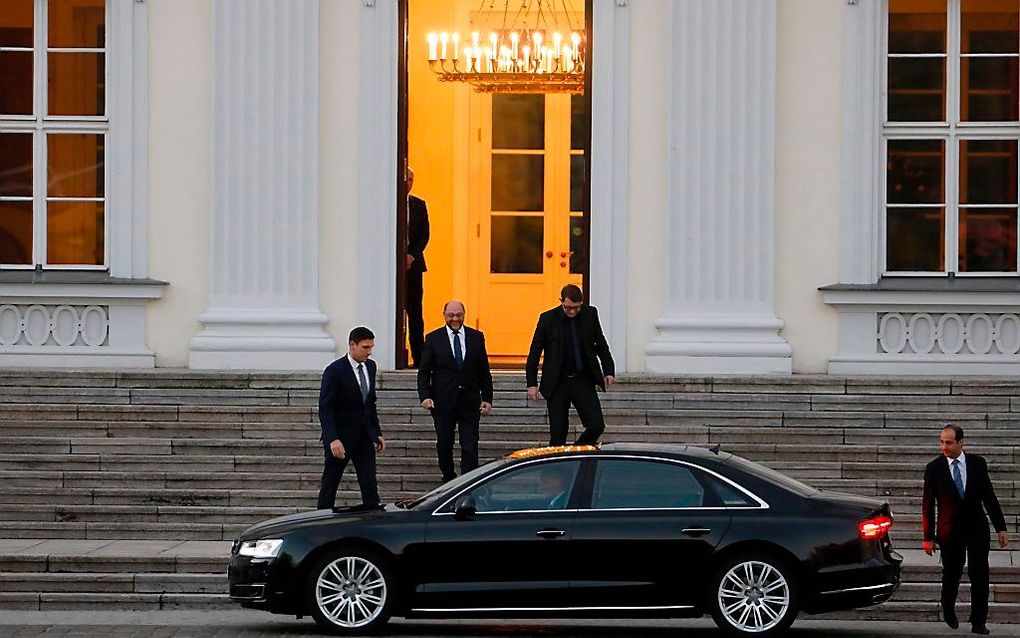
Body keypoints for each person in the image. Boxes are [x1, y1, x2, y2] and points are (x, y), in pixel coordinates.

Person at [922, 424, 1009, 635]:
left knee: (980, 574)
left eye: (949, 443)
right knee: (952, 572)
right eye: (942, 442)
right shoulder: (934, 468)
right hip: (950, 531)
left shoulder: (978, 464)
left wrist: (1001, 527)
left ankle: (978, 621)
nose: (944, 447)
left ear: (960, 442)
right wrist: (928, 537)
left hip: (977, 528)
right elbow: (927, 504)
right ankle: (948, 606)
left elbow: (989, 496)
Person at [526, 284, 616, 446]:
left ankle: (574, 453)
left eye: (577, 308)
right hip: (557, 382)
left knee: (596, 425)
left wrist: (609, 370)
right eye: (568, 308)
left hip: (582, 379)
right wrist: (532, 383)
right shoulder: (547, 319)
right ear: (561, 302)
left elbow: (601, 344)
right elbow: (534, 352)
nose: (573, 312)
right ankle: (558, 467)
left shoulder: (590, 314)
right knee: (558, 433)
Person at [417, 300, 493, 483]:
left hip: (469, 401)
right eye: (451, 315)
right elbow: (424, 371)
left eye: (458, 314)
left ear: (464, 314)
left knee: (470, 445)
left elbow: (483, 370)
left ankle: (468, 482)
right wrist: (425, 396)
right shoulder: (433, 338)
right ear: (444, 315)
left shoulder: (476, 337)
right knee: (444, 444)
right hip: (443, 402)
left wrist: (487, 398)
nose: (455, 319)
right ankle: (449, 480)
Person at [316, 327, 387, 510]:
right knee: (330, 484)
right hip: (341, 438)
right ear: (352, 345)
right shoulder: (335, 370)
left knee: (370, 484)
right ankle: (321, 523)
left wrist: (377, 432)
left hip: (364, 437)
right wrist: (332, 438)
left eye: (371, 347)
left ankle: (373, 523)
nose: (369, 352)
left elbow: (370, 403)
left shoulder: (370, 366)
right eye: (365, 347)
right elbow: (325, 408)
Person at [405, 167, 430, 368]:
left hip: (414, 266)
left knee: (415, 313)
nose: (409, 182)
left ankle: (419, 358)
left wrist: (411, 255)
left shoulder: (419, 205)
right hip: (392, 268)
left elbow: (424, 235)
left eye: (412, 179)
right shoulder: (388, 202)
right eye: (406, 178)